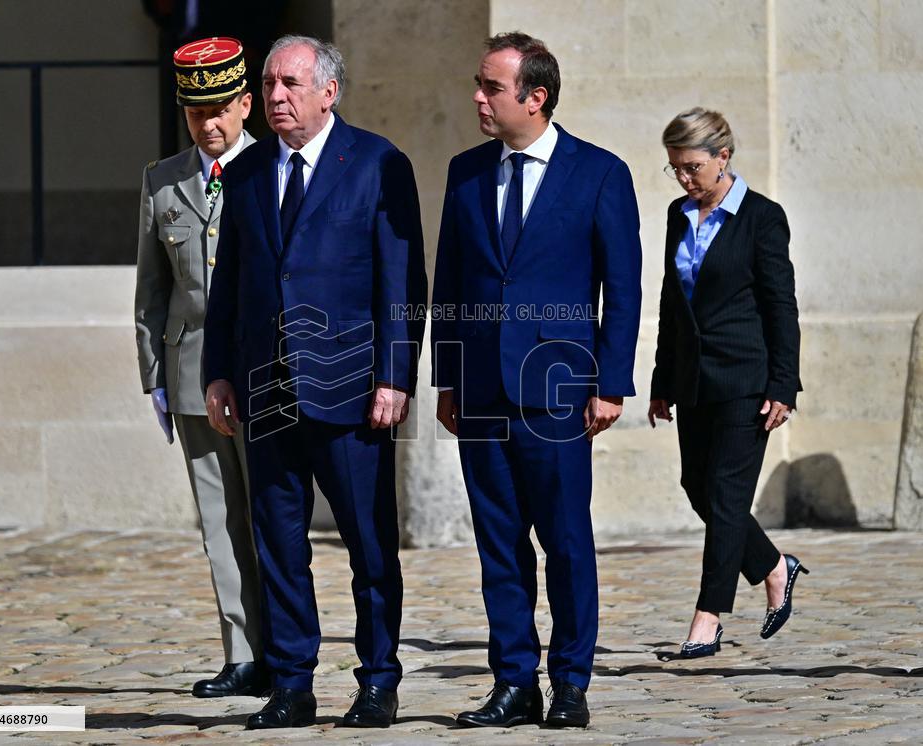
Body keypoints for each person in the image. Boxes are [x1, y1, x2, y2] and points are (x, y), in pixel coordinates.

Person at [202, 35, 427, 729]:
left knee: (369, 545)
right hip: (265, 389)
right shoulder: (245, 173)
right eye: (269, 83)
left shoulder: (378, 163)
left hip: (351, 389)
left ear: (329, 92)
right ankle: (292, 684)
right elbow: (229, 281)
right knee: (279, 543)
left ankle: (378, 680)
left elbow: (402, 281)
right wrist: (217, 371)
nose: (275, 96)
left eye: (291, 84)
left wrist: (395, 376)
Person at [430, 32, 642, 728]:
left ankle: (571, 683)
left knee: (566, 541)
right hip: (481, 392)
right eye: (480, 83)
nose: (478, 97)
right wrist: (448, 378)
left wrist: (610, 383)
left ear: (535, 97)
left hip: (558, 390)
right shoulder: (465, 172)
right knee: (498, 547)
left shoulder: (599, 173)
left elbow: (624, 288)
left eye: (491, 87)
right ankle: (514, 682)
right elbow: (449, 282)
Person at [134, 37, 268, 698]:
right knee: (219, 520)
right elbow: (152, 290)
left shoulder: (274, 170)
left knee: (271, 516)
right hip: (190, 374)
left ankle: (286, 649)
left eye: (218, 110)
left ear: (245, 104)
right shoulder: (162, 181)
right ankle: (242, 652)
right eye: (195, 113)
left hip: (263, 372)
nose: (208, 124)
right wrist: (154, 375)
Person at [647, 107, 807, 659]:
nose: (683, 178)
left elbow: (781, 306)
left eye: (691, 167)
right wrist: (662, 379)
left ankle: (707, 619)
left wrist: (783, 384)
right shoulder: (678, 215)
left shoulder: (762, 217)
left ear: (723, 156)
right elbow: (672, 303)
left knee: (726, 494)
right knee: (698, 485)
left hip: (747, 380)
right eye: (675, 168)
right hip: (693, 379)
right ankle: (772, 566)